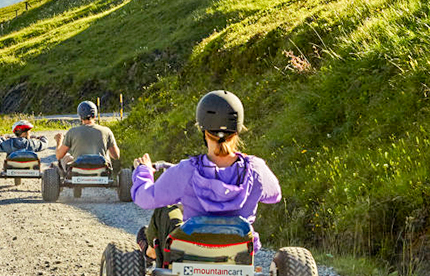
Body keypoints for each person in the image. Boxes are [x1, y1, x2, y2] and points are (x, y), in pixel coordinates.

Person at [130, 89, 281, 260]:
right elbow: (275, 195)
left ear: (202, 128)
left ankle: (151, 252)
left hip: (193, 250)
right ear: (238, 129)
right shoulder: (255, 169)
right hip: (238, 250)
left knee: (164, 209)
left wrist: (144, 171)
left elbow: (144, 198)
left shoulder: (187, 170)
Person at [54, 100, 120, 171]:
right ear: (95, 115)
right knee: (107, 154)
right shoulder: (106, 131)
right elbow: (116, 156)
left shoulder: (72, 132)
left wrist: (59, 141)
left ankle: (64, 178)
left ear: (80, 116)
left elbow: (59, 156)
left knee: (65, 157)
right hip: (100, 168)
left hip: (78, 168)